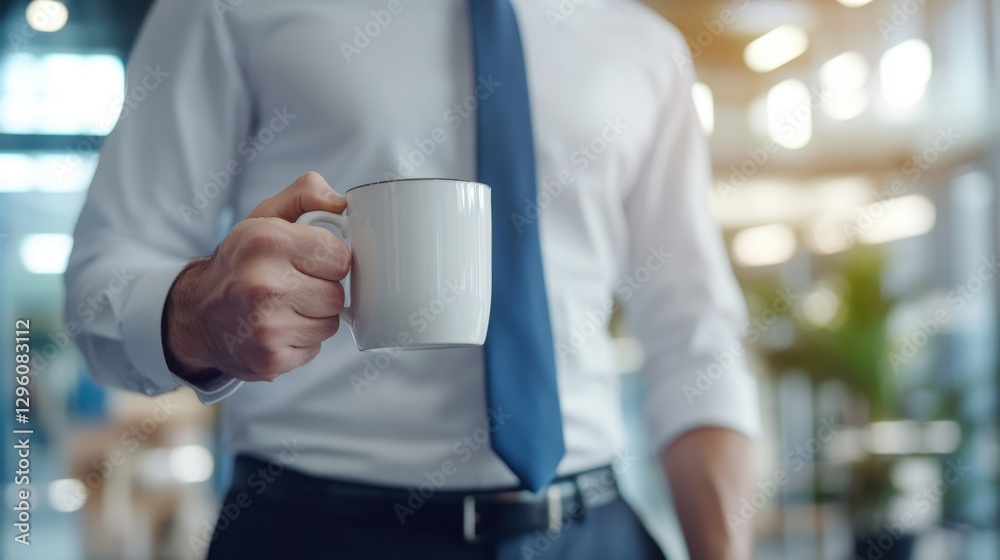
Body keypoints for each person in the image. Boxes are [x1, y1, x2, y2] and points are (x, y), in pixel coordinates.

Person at [66, 0, 761, 558]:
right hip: (314, 534)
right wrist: (199, 313)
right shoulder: (228, 9)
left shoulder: (644, 46)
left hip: (594, 531)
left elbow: (694, 332)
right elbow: (100, 283)